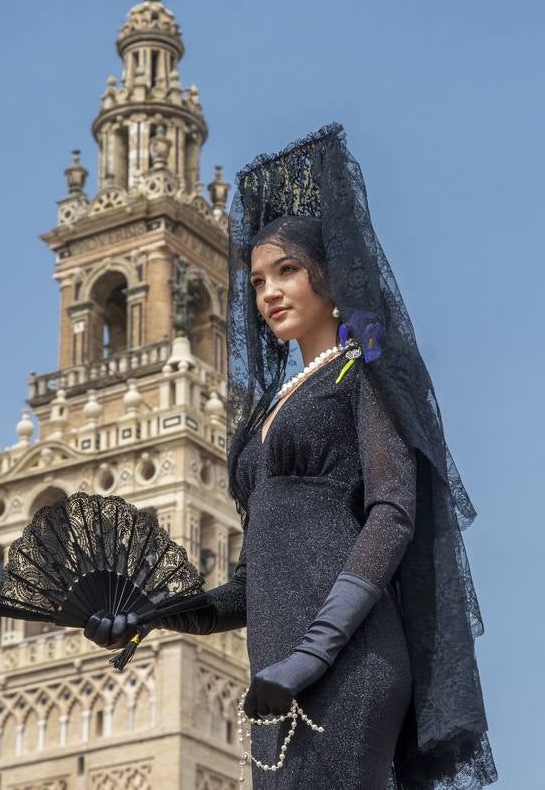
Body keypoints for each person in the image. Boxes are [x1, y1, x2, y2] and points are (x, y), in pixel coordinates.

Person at [85, 124, 498, 789]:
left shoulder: (363, 375)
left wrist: (311, 655)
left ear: (330, 277)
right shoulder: (268, 412)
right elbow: (255, 581)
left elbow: (392, 515)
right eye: (256, 281)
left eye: (287, 271)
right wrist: (150, 616)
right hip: (272, 670)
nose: (270, 292)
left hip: (346, 657)